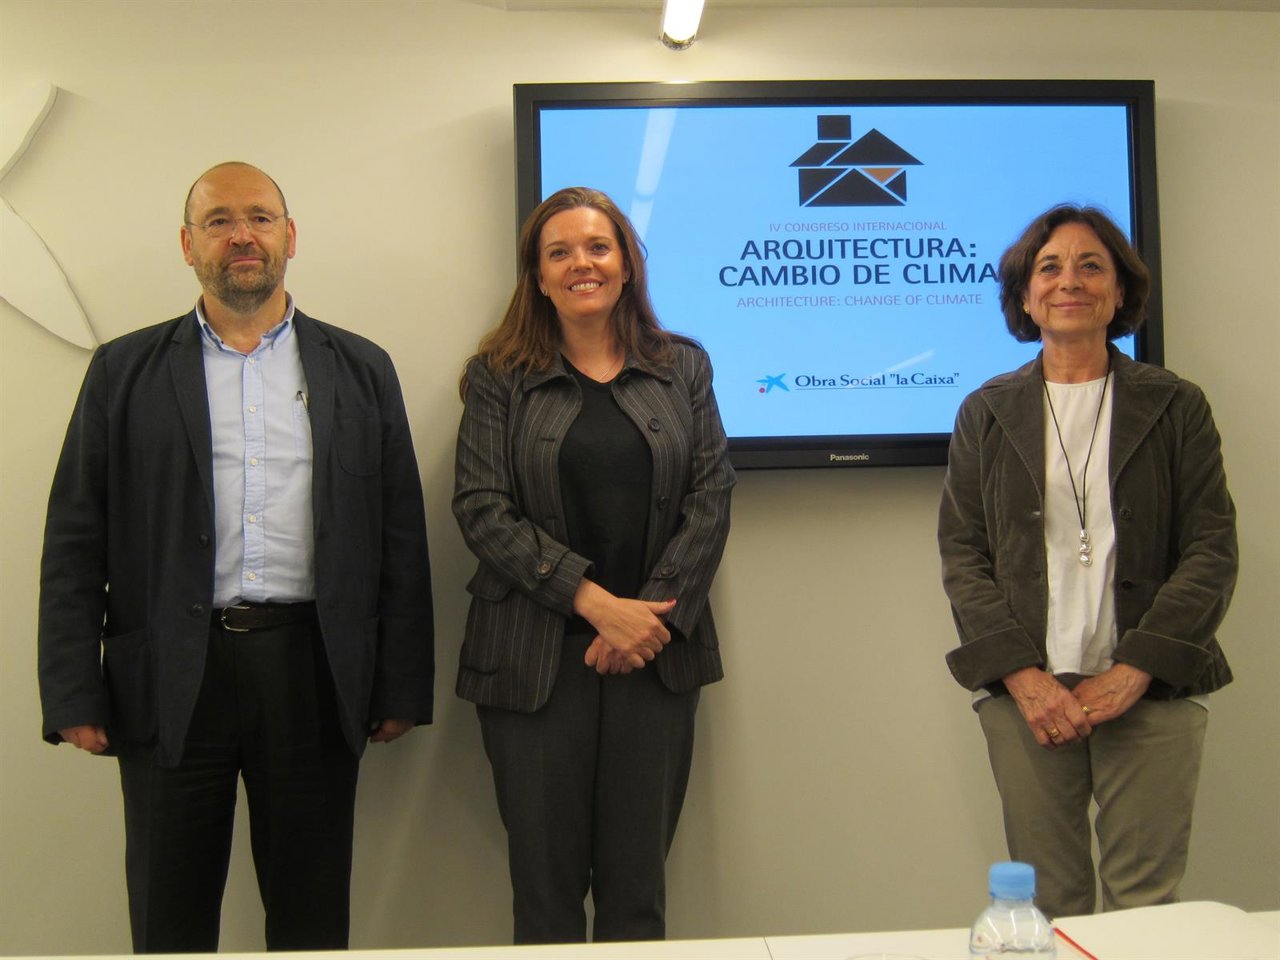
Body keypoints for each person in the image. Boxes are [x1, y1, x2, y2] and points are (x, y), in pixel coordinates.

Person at [37, 161, 434, 953]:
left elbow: (399, 538)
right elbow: (75, 538)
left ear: (291, 237)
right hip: (172, 679)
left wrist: (399, 681)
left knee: (312, 917)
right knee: (168, 917)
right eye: (219, 221)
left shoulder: (360, 369)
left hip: (314, 674)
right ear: (188, 245)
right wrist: (72, 691)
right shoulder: (123, 372)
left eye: (259, 217)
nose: (241, 236)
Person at [938, 204, 1237, 919]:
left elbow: (1211, 547)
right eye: (1049, 267)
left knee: (1147, 906)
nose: (1069, 280)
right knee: (1046, 904)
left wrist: (1136, 669)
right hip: (1027, 701)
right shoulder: (987, 410)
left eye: (1090, 265)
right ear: (1024, 295)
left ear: (1121, 292)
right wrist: (1026, 678)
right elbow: (963, 553)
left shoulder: (1175, 406)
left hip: (1151, 690)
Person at [453, 186, 734, 943]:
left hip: (654, 655)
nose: (582, 263)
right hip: (533, 668)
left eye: (598, 247)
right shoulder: (496, 375)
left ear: (627, 264)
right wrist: (593, 601)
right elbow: (481, 508)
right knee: (544, 900)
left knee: (636, 895)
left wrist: (643, 620)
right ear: (537, 276)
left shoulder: (683, 368)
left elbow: (710, 500)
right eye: (560, 252)